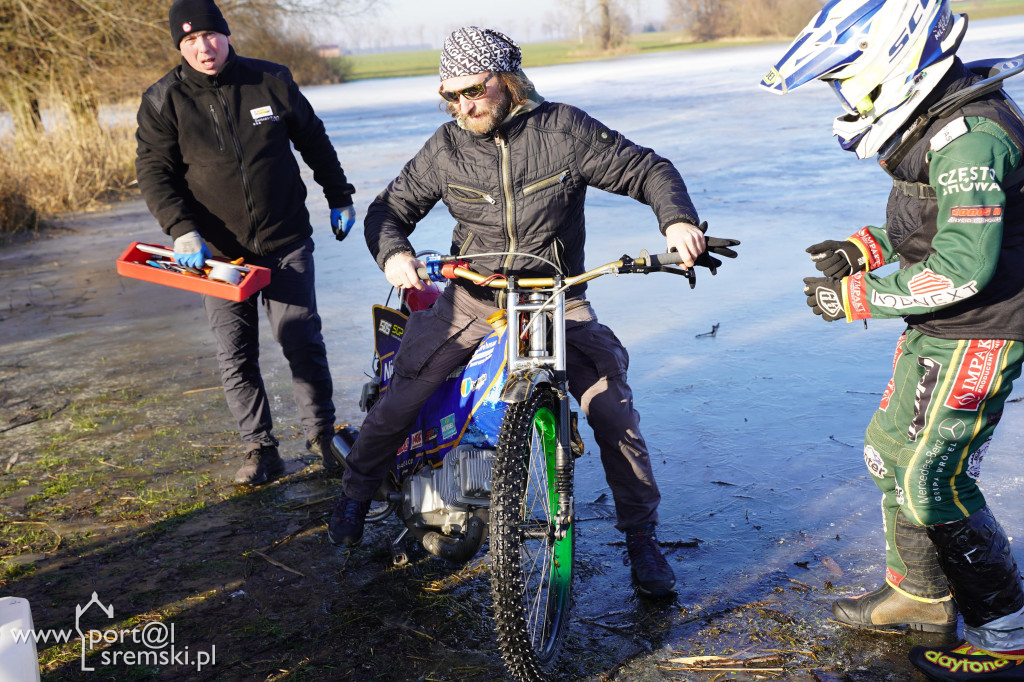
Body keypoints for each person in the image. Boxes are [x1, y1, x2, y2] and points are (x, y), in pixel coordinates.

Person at [327, 26, 732, 598]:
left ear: (507, 78)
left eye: (474, 90)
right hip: (475, 295)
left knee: (612, 413)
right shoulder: (445, 148)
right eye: (451, 96)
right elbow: (386, 210)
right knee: (405, 395)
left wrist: (678, 221)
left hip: (555, 297)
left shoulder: (564, 130)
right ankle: (355, 493)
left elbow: (648, 169)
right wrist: (394, 254)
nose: (463, 105)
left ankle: (642, 541)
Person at [761, 0, 1024, 677]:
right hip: (940, 326)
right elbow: (934, 225)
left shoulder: (970, 137)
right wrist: (865, 249)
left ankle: (1006, 636)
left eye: (846, 81)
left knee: (932, 478)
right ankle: (921, 595)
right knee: (889, 454)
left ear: (890, 64)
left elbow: (964, 267)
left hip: (982, 330)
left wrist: (856, 297)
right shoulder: (938, 126)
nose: (845, 96)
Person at [135, 0, 356, 485]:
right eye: (190, 40)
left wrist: (339, 195)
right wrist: (181, 229)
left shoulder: (270, 79)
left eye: (210, 35)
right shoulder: (163, 100)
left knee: (302, 339)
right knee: (235, 351)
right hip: (216, 255)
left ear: (226, 34)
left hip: (285, 239)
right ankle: (260, 449)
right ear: (180, 45)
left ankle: (320, 436)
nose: (203, 47)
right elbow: (153, 173)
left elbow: (313, 139)